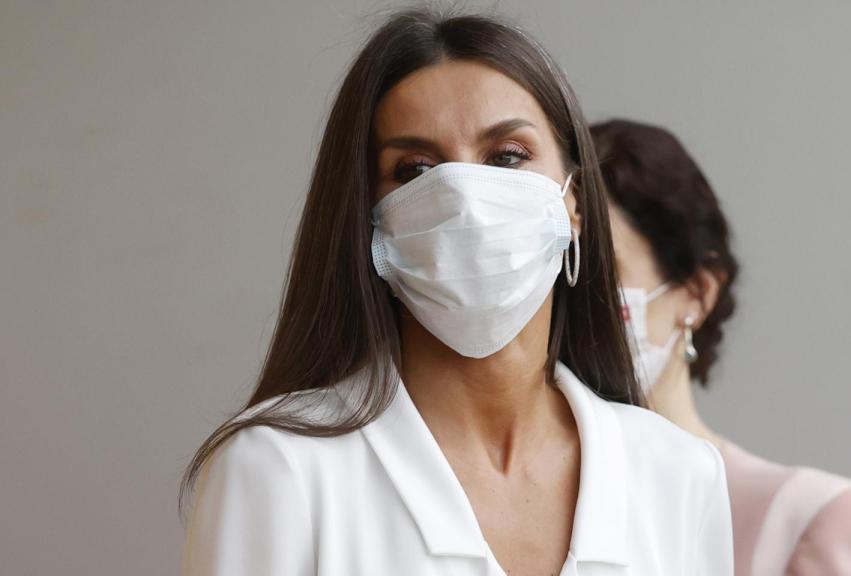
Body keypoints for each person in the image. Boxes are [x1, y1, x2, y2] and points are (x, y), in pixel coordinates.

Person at [180, 11, 733, 576]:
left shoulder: (678, 475)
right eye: (415, 169)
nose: (466, 200)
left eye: (508, 157)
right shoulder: (279, 469)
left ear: (574, 203)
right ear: (370, 219)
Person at [592, 118, 851, 575]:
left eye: (605, 272)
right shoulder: (506, 502)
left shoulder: (807, 520)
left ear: (697, 293)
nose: (575, 300)